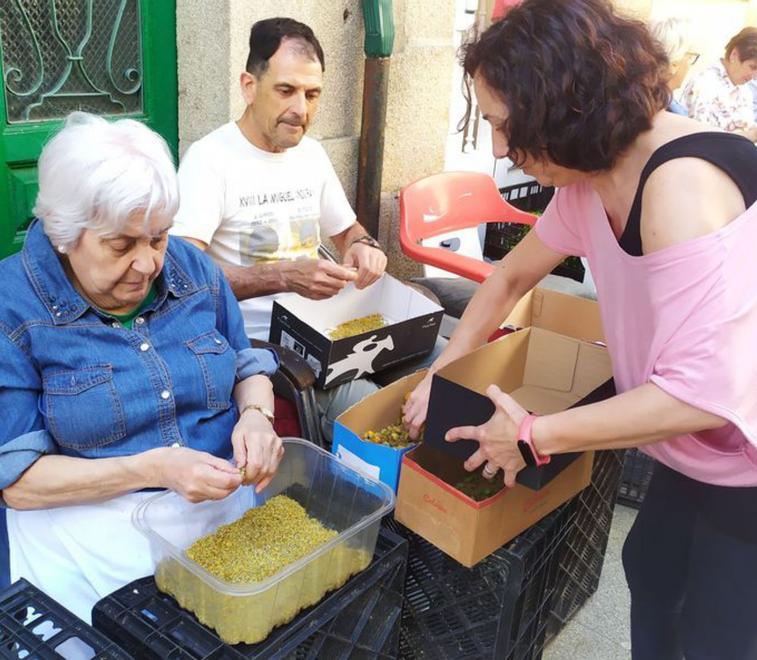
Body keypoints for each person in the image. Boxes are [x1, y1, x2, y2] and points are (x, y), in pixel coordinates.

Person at [402, 2, 757, 658]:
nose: (500, 150)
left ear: (565, 109)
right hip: (711, 429)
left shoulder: (683, 190)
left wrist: (534, 435)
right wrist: (441, 373)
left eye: (505, 126)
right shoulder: (587, 179)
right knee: (652, 569)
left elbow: (695, 396)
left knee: (718, 632)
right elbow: (509, 280)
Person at [0, 113, 282, 622]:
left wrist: (258, 416)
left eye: (159, 237)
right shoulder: (12, 306)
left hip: (219, 517)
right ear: (65, 233)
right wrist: (152, 468)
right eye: (121, 245)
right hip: (88, 539)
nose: (149, 264)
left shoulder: (192, 269)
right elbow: (18, 482)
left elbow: (245, 365)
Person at [172, 18, 441, 443]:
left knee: (444, 362)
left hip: (332, 329)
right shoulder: (210, 161)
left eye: (312, 94)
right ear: (248, 85)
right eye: (286, 90)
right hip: (264, 345)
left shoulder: (311, 155)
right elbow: (182, 275)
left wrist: (365, 247)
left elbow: (348, 230)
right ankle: (395, 503)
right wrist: (281, 276)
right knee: (375, 406)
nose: (301, 109)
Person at [681, 27, 757, 143]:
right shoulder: (704, 85)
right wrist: (754, 135)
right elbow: (703, 141)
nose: (755, 77)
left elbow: (748, 129)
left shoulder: (743, 88)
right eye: (753, 67)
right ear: (734, 55)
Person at [648, 16, 698, 116]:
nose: (690, 65)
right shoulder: (664, 113)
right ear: (674, 64)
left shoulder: (627, 95)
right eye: (690, 57)